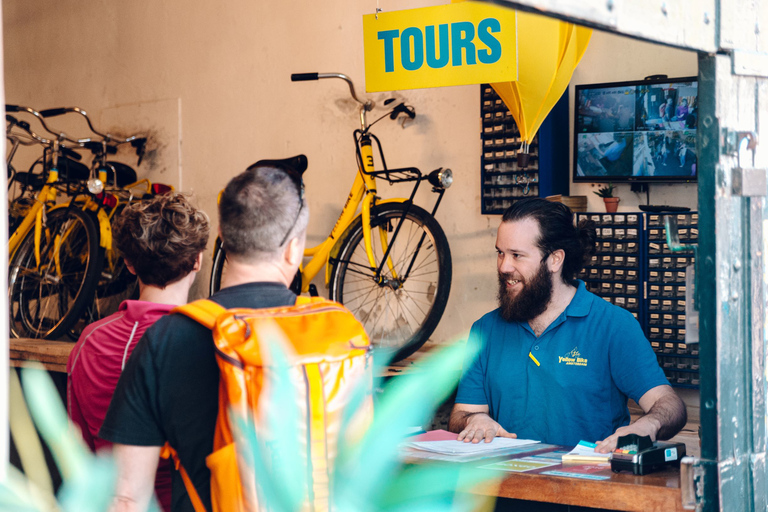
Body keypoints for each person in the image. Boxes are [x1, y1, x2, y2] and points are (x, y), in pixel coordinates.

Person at [99, 160, 308, 512]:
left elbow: (127, 498)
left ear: (222, 239)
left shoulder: (167, 338)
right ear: (293, 248)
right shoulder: (342, 333)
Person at [448, 198, 686, 453]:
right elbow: (461, 414)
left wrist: (647, 425)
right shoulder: (486, 330)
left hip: (587, 487)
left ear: (555, 260)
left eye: (517, 255)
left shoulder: (613, 326)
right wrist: (475, 420)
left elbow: (670, 404)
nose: (504, 266)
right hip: (504, 487)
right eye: (500, 253)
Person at [67, 193, 210, 512]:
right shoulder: (209, 340)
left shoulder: (89, 341)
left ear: (129, 264)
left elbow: (79, 450)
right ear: (198, 260)